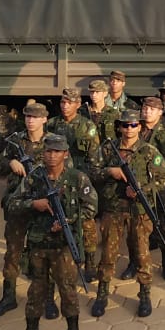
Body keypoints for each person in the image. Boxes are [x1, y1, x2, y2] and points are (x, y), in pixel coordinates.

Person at [8, 133, 98, 330]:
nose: (51, 155)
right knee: (36, 291)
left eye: (57, 151)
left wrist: (68, 221)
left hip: (64, 245)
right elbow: (12, 204)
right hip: (38, 244)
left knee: (68, 291)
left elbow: (91, 207)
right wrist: (34, 204)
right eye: (48, 151)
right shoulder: (34, 177)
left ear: (65, 154)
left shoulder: (77, 178)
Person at [90, 113, 165, 318]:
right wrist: (110, 172)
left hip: (139, 211)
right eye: (125, 125)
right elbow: (92, 171)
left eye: (133, 125)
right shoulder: (108, 149)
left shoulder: (148, 151)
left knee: (142, 253)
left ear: (140, 127)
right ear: (119, 127)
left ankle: (144, 294)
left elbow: (163, 177)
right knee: (108, 253)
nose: (129, 129)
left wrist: (142, 189)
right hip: (113, 208)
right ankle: (102, 294)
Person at [0, 101, 49, 320]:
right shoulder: (15, 141)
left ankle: (47, 298)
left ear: (44, 119)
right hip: (18, 203)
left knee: (42, 253)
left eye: (35, 117)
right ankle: (8, 296)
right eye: (28, 117)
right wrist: (11, 163)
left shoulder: (53, 143)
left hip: (42, 204)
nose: (30, 120)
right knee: (13, 252)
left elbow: (65, 169)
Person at [47, 87, 101, 282]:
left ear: (78, 105)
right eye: (62, 102)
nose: (65, 105)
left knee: (86, 222)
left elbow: (94, 158)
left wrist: (87, 181)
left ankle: (90, 263)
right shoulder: (53, 124)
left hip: (79, 180)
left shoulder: (87, 126)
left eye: (69, 102)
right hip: (57, 180)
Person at [132, 96, 165, 282]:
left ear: (160, 112)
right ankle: (134, 262)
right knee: (136, 226)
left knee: (163, 224)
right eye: (145, 108)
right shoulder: (135, 128)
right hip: (138, 184)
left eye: (152, 109)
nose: (147, 112)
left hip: (159, 186)